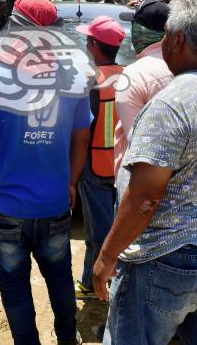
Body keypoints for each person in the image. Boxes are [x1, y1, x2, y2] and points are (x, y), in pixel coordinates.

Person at [93, 0, 197, 344]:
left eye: (165, 36)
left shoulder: (169, 103)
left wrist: (107, 257)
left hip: (167, 258)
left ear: (177, 40)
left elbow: (144, 200)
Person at [0, 0, 90, 345]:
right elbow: (82, 140)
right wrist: (72, 181)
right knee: (61, 279)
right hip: (53, 203)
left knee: (16, 290)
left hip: (3, 207)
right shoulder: (74, 76)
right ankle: (68, 338)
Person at [73, 16, 126, 300]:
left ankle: (92, 283)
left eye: (87, 40)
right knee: (116, 227)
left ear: (94, 46)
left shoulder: (90, 79)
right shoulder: (129, 74)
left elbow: (82, 131)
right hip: (121, 165)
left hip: (94, 166)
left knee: (98, 232)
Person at [113, 0, 173, 174]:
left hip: (137, 182)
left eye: (134, 26)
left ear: (142, 31)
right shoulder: (181, 65)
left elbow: (139, 146)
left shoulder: (135, 73)